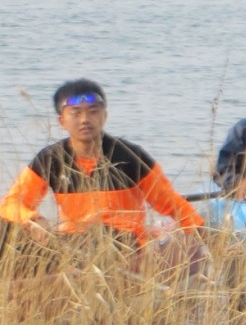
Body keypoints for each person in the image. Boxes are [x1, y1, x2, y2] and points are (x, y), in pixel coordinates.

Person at [1, 79, 202, 243]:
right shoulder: (51, 159)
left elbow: (173, 204)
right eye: (76, 113)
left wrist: (202, 235)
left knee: (101, 235)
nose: (85, 119)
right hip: (72, 241)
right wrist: (33, 219)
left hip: (123, 241)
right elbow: (10, 204)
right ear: (61, 121)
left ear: (104, 115)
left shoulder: (131, 157)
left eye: (93, 111)